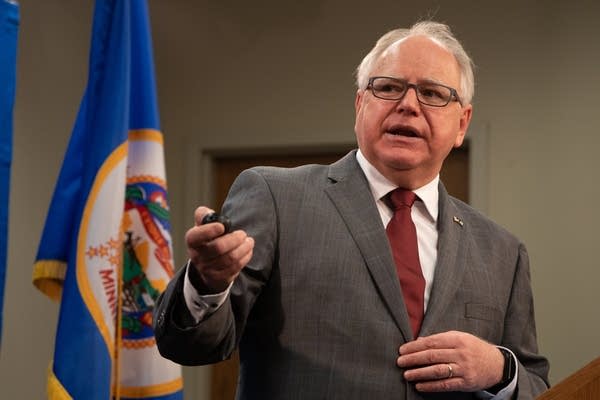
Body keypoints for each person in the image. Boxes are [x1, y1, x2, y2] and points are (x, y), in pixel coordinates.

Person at [154, 20, 550, 399]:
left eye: (432, 93)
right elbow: (192, 345)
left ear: (462, 123)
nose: (408, 105)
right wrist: (207, 283)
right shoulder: (276, 197)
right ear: (360, 103)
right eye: (389, 87)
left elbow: (536, 384)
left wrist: (500, 369)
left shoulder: (502, 251)